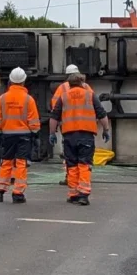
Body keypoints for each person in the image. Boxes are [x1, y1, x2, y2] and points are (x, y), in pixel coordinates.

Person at [49, 73, 110, 206]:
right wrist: (106, 130)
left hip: (69, 136)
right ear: (82, 82)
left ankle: (73, 194)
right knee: (84, 164)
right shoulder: (89, 95)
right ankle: (83, 194)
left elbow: (54, 116)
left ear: (69, 84)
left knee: (71, 165)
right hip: (86, 136)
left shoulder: (63, 97)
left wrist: (52, 133)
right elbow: (102, 113)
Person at [0, 67, 40, 203]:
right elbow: (34, 120)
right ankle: (18, 193)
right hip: (24, 136)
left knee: (6, 162)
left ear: (11, 81)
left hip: (7, 135)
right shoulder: (28, 100)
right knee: (21, 164)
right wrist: (35, 135)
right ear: (24, 81)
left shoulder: (2, 99)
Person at [50, 64, 93, 186]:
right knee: (85, 157)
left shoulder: (62, 88)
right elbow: (95, 105)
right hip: (86, 127)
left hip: (68, 127)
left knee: (70, 156)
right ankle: (83, 179)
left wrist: (54, 128)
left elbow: (55, 107)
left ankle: (70, 178)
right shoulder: (87, 87)